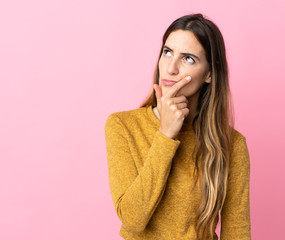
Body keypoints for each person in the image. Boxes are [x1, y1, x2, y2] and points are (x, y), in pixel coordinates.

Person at [105, 13, 251, 240]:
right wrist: (165, 135)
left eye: (188, 59)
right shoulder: (123, 126)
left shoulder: (232, 144)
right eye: (167, 52)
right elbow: (133, 220)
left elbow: (237, 232)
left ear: (210, 73)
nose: (171, 68)